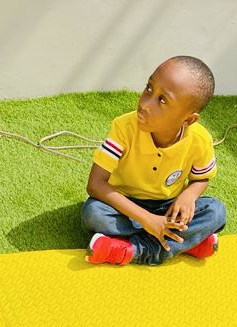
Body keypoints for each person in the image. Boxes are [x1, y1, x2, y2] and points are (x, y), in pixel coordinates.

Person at [82, 55, 226, 266]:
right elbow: (95, 185)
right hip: (125, 204)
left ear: (188, 119)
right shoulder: (124, 128)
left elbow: (201, 179)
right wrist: (147, 219)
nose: (145, 104)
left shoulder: (199, 139)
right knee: (93, 213)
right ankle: (185, 244)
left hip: (169, 208)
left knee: (216, 211)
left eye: (162, 100)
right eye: (149, 88)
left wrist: (188, 196)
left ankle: (133, 250)